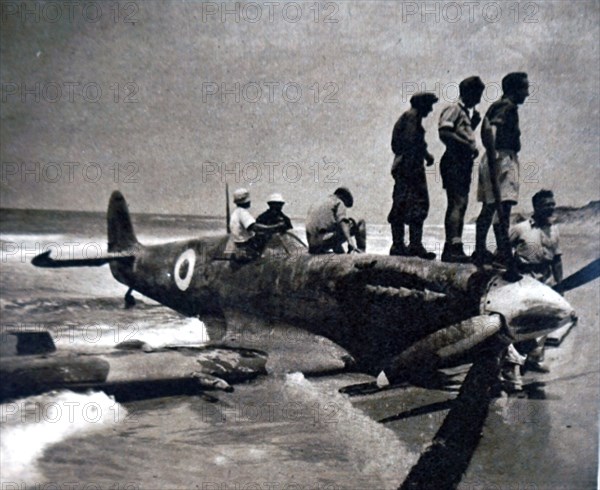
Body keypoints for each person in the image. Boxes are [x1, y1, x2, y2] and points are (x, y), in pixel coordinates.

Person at [499, 190, 563, 392]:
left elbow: (557, 259)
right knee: (520, 327)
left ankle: (534, 359)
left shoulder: (554, 230)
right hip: (523, 281)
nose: (551, 208)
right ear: (536, 207)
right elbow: (501, 251)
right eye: (547, 204)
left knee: (544, 322)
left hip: (546, 280)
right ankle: (510, 370)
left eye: (553, 204)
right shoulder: (519, 228)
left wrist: (560, 287)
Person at [472, 72, 530, 271]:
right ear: (514, 89)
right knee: (502, 207)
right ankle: (502, 253)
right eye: (525, 88)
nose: (528, 93)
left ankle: (482, 250)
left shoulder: (498, 105)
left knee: (490, 208)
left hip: (493, 157)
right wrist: (494, 155)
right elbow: (493, 130)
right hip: (502, 158)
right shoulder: (507, 106)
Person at [438, 76, 485, 262]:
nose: (480, 99)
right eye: (478, 94)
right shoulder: (454, 109)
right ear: (469, 92)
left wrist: (472, 125)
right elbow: (444, 132)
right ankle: (453, 247)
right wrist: (467, 145)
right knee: (457, 203)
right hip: (454, 161)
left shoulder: (465, 113)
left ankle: (454, 245)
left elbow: (456, 132)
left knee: (461, 203)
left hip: (462, 162)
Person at [388, 92, 438, 260]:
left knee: (403, 205)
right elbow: (410, 143)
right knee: (414, 205)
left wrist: (427, 155)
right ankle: (409, 245)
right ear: (422, 104)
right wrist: (414, 169)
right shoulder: (411, 118)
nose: (431, 110)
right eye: (429, 105)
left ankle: (402, 245)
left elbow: (416, 143)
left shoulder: (411, 118)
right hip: (410, 169)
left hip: (407, 167)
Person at [228, 188, 288, 261]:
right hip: (246, 248)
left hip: (239, 246)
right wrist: (276, 226)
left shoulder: (235, 213)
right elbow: (254, 227)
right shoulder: (242, 213)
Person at [305, 187, 366, 254]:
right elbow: (343, 222)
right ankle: (362, 251)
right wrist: (350, 242)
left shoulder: (319, 202)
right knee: (360, 222)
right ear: (343, 197)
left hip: (312, 245)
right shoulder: (338, 202)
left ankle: (340, 254)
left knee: (333, 229)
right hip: (324, 241)